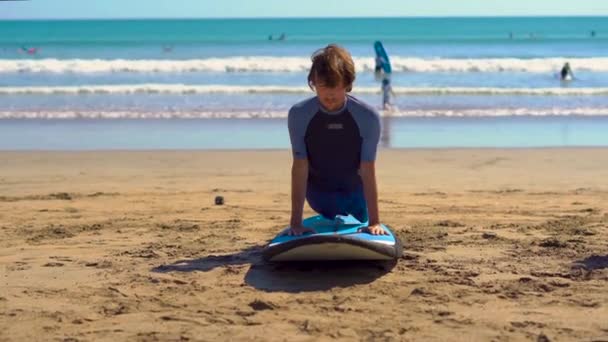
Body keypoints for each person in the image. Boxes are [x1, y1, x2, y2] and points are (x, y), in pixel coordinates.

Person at [287, 44, 386, 236]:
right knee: (328, 206)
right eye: (323, 86)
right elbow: (299, 166)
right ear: (313, 83)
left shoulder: (367, 117)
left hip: (357, 196)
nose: (329, 94)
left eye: (335, 85)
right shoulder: (299, 114)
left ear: (347, 83)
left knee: (361, 214)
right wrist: (295, 223)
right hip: (319, 195)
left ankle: (364, 214)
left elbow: (368, 168)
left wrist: (375, 222)